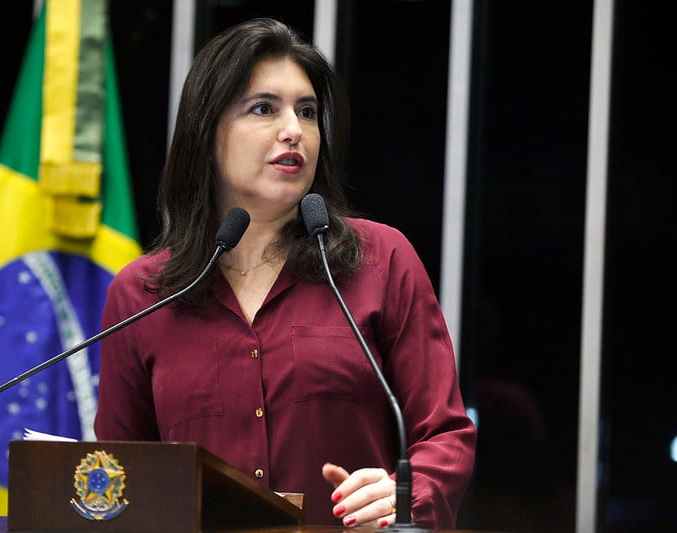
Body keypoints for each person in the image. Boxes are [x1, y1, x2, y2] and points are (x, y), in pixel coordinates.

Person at [94, 17, 476, 529]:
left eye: (308, 111)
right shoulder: (142, 294)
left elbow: (445, 434)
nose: (294, 129)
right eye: (263, 109)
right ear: (206, 132)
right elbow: (122, 478)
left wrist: (404, 493)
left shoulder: (381, 259)